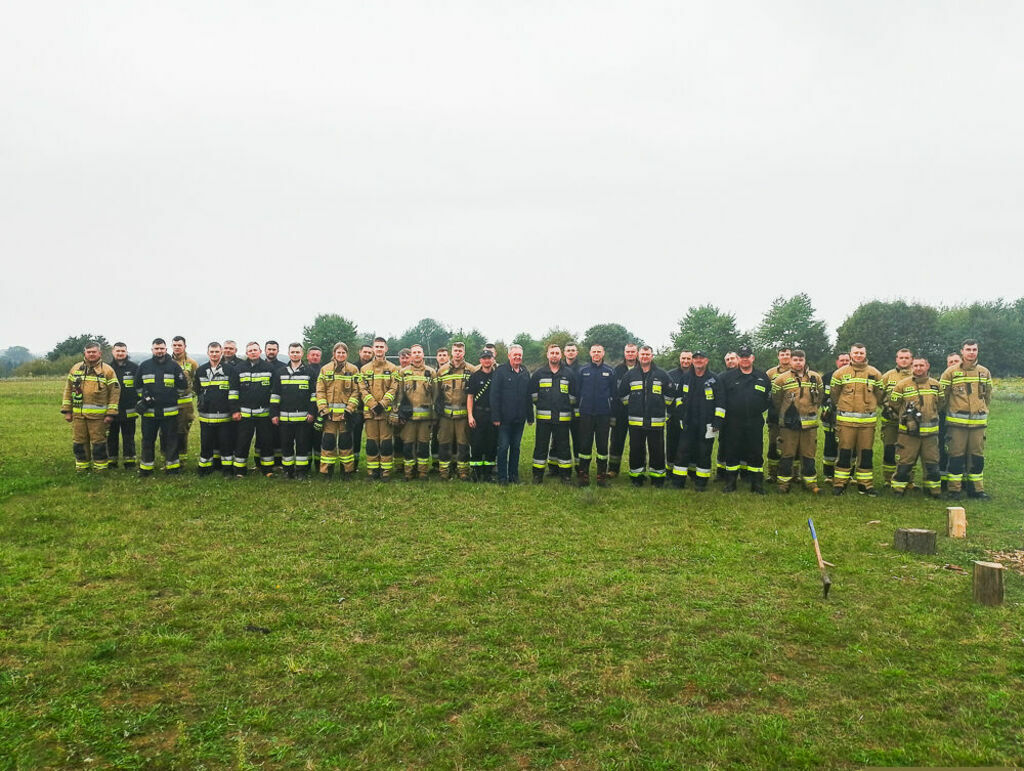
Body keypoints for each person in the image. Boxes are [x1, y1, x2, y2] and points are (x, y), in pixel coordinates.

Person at [939, 339, 992, 500]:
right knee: (956, 456)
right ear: (962, 351)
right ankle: (954, 490)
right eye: (968, 349)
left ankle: (976, 490)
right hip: (957, 425)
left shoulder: (984, 372)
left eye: (974, 349)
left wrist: (981, 410)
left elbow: (987, 396)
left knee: (977, 457)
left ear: (977, 351)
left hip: (978, 424)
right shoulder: (950, 373)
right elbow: (942, 397)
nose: (971, 352)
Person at [830, 343, 884, 496]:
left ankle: (865, 485)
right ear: (851, 354)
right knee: (844, 453)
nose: (859, 355)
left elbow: (879, 395)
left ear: (865, 354)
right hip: (846, 423)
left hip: (867, 424)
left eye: (861, 353)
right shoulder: (840, 373)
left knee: (866, 454)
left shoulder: (875, 373)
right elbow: (835, 394)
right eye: (856, 353)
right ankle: (840, 484)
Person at [618, 345, 673, 487]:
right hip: (635, 421)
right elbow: (622, 394)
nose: (645, 357)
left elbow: (670, 394)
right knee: (636, 450)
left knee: (657, 450)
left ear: (652, 356)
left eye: (647, 354)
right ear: (638, 356)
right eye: (642, 354)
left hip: (656, 421)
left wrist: (660, 406)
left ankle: (657, 478)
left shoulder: (662, 374)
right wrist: (632, 406)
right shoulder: (630, 375)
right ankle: (637, 477)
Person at [718, 346, 771, 494]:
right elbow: (721, 399)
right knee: (732, 452)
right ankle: (730, 483)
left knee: (755, 451)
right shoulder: (727, 377)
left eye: (747, 356)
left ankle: (757, 484)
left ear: (752, 358)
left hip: (754, 421)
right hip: (733, 421)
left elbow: (768, 398)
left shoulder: (762, 377)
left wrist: (757, 408)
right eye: (742, 356)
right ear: (739, 359)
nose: (745, 359)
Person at [889, 357, 944, 498]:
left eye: (921, 365)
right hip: (908, 434)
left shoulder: (936, 385)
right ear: (912, 367)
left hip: (930, 435)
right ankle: (898, 490)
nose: (918, 368)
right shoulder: (902, 385)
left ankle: (933, 490)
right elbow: (894, 404)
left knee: (932, 463)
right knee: (904, 463)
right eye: (916, 365)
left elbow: (941, 404)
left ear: (927, 366)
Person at [61, 341, 120, 472]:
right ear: (85, 353)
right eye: (89, 352)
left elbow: (115, 393)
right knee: (79, 442)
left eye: (94, 352)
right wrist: (67, 411)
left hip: (98, 417)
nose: (91, 354)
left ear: (100, 353)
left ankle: (101, 468)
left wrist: (111, 413)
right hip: (78, 416)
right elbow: (68, 390)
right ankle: (82, 467)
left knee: (99, 443)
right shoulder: (76, 369)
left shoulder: (108, 371)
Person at [770, 349, 823, 493]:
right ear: (791, 361)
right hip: (788, 425)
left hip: (809, 426)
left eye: (801, 360)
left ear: (805, 361)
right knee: (787, 454)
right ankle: (783, 483)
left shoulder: (815, 378)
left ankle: (810, 483)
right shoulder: (781, 379)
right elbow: (776, 400)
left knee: (808, 454)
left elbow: (819, 398)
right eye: (795, 360)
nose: (798, 363)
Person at [671, 350, 724, 491]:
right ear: (693, 361)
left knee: (704, 453)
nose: (698, 361)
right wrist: (681, 413)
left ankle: (701, 482)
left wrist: (717, 421)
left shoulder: (714, 379)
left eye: (701, 358)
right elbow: (678, 398)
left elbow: (720, 402)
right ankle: (678, 481)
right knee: (682, 451)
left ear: (706, 361)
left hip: (707, 424)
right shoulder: (686, 378)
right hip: (688, 422)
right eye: (696, 359)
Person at [137, 338, 188, 475]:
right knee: (148, 440)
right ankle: (146, 468)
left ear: (166, 349)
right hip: (149, 412)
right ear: (152, 350)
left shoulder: (174, 366)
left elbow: (183, 386)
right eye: (156, 348)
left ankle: (172, 468)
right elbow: (137, 386)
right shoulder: (144, 366)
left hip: (169, 412)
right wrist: (145, 398)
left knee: (171, 440)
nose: (159, 351)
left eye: (162, 348)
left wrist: (171, 396)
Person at [530, 343, 576, 485]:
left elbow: (573, 396)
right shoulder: (539, 373)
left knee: (564, 447)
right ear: (547, 355)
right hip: (544, 418)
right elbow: (533, 395)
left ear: (560, 355)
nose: (554, 355)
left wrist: (564, 406)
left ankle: (565, 475)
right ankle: (538, 475)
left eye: (557, 353)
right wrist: (543, 406)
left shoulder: (568, 374)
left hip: (563, 418)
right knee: (540, 447)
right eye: (552, 353)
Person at [233, 341, 280, 477]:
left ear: (260, 351)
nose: (253, 352)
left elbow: (274, 392)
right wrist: (235, 410)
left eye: (255, 350)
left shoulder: (269, 368)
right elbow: (234, 392)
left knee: (266, 441)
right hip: (245, 414)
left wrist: (273, 412)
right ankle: (240, 470)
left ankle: (267, 469)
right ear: (247, 353)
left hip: (264, 413)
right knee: (242, 442)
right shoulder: (239, 369)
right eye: (250, 350)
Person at [194, 341, 241, 477]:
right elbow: (197, 389)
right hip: (205, 415)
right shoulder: (201, 370)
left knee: (226, 443)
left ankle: (227, 470)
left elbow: (233, 392)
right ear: (208, 353)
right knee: (206, 443)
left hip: (224, 415)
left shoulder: (230, 370)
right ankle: (204, 468)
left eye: (217, 352)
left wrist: (234, 410)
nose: (214, 354)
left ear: (221, 353)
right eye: (212, 352)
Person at [316, 342, 361, 479]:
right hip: (329, 417)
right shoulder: (325, 369)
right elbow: (320, 390)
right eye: (338, 352)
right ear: (333, 354)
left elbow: (356, 391)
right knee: (328, 444)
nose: (341, 355)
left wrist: (349, 410)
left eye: (343, 352)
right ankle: (326, 472)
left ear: (347, 354)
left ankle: (347, 471)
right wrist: (324, 410)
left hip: (345, 417)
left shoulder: (353, 370)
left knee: (346, 443)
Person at [490, 344, 532, 485]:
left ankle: (514, 476)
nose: (517, 357)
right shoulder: (501, 372)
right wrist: (495, 417)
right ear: (509, 356)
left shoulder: (525, 372)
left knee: (516, 448)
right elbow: (494, 395)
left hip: (519, 419)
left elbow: (528, 396)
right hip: (504, 419)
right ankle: (502, 477)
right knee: (503, 448)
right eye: (515, 355)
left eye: (519, 355)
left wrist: (530, 416)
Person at [359, 337, 400, 480]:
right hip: (370, 413)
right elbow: (362, 389)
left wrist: (382, 404)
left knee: (386, 443)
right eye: (377, 347)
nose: (379, 349)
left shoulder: (393, 368)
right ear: (373, 349)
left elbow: (394, 388)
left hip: (385, 414)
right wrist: (372, 405)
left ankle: (386, 472)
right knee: (371, 443)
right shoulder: (364, 369)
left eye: (382, 347)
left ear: (386, 349)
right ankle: (372, 472)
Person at [273, 343, 317, 478]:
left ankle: (301, 471)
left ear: (302, 354)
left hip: (303, 418)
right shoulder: (280, 372)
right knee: (286, 445)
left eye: (297, 352)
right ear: (289, 353)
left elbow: (314, 395)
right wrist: (274, 414)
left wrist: (312, 412)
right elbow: (275, 395)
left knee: (302, 445)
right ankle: (288, 470)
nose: (295, 354)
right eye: (292, 352)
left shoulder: (310, 372)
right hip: (285, 418)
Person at [575, 344, 616, 487]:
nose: (597, 354)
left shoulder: (610, 371)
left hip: (603, 414)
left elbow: (614, 394)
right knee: (584, 445)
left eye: (599, 351)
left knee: (602, 447)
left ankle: (601, 476)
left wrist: (613, 415)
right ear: (590, 353)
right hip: (586, 414)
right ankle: (583, 475)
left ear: (603, 353)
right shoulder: (582, 371)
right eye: (594, 351)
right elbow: (577, 392)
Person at [436, 341, 477, 480]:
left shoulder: (472, 370)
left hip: (463, 416)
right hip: (446, 416)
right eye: (455, 350)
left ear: (464, 352)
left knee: (463, 444)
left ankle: (463, 471)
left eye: (460, 350)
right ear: (451, 352)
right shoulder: (442, 371)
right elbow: (437, 394)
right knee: (444, 443)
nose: (458, 353)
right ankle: (444, 471)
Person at [394, 344, 436, 480]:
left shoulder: (431, 372)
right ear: (411, 355)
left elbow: (435, 396)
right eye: (414, 352)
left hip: (425, 418)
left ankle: (423, 472)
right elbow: (399, 394)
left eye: (419, 352)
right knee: (408, 445)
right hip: (408, 418)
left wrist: (434, 417)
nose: (417, 355)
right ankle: (408, 472)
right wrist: (398, 413)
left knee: (423, 446)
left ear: (423, 354)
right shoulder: (403, 372)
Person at [879, 348, 914, 486]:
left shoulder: (917, 376)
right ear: (896, 359)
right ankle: (889, 479)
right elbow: (878, 395)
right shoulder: (888, 376)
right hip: (890, 422)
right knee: (890, 449)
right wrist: (886, 407)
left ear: (911, 359)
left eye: (907, 357)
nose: (904, 360)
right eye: (901, 357)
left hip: (911, 422)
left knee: (909, 451)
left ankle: (909, 480)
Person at [466, 349, 498, 482]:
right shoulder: (474, 376)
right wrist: (470, 415)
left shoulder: (497, 376)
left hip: (492, 414)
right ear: (480, 360)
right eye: (484, 358)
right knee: (477, 444)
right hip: (478, 414)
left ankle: (488, 473)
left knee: (491, 444)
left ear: (493, 360)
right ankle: (476, 472)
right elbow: (470, 397)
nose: (487, 360)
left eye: (489, 358)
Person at [608, 343, 638, 477]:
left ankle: (636, 469)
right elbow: (613, 393)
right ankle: (613, 469)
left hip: (638, 413)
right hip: (620, 414)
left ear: (636, 353)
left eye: (633, 351)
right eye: (628, 352)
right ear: (624, 353)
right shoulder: (617, 370)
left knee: (637, 443)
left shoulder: (643, 369)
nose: (630, 354)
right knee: (616, 442)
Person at [820, 352, 851, 484]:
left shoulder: (854, 376)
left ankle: (849, 474)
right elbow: (821, 396)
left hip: (849, 418)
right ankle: (829, 474)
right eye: (842, 360)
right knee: (830, 445)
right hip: (830, 418)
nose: (844, 362)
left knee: (848, 446)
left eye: (847, 360)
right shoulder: (827, 377)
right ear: (837, 362)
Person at [107, 342, 138, 469]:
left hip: (129, 409)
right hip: (111, 409)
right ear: (113, 352)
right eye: (118, 351)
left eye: (123, 351)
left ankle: (129, 461)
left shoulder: (134, 368)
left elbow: (140, 387)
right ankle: (111, 461)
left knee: (129, 437)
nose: (120, 353)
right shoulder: (107, 368)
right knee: (111, 437)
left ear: (126, 352)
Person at [764, 347, 791, 483]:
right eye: (782, 354)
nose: (785, 356)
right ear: (778, 357)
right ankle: (772, 474)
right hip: (774, 415)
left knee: (791, 445)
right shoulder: (770, 373)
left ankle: (793, 474)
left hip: (792, 417)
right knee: (773, 445)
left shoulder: (798, 372)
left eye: (787, 354)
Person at [171, 336, 199, 466]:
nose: (177, 347)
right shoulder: (166, 361)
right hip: (169, 403)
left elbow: (197, 382)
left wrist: (192, 393)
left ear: (185, 346)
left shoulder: (192, 363)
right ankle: (169, 457)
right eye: (175, 345)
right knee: (167, 432)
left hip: (185, 404)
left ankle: (182, 459)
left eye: (179, 345)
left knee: (182, 432)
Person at [666, 349, 694, 474]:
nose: (686, 361)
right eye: (683, 358)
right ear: (679, 359)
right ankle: (670, 470)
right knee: (672, 444)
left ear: (692, 360)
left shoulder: (697, 375)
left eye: (688, 358)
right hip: (674, 417)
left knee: (692, 444)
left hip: (692, 417)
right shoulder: (670, 375)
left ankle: (692, 471)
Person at [349, 343, 374, 472]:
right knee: (356, 437)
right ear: (360, 352)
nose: (367, 354)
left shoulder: (375, 367)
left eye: (369, 352)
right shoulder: (353, 368)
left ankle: (375, 464)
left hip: (372, 408)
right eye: (365, 352)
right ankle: (354, 465)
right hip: (358, 409)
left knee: (373, 438)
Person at [938, 351, 962, 490]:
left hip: (960, 420)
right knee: (941, 448)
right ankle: (942, 480)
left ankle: (961, 481)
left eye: (955, 361)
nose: (953, 364)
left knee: (959, 450)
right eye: (950, 362)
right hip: (943, 417)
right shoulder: (943, 379)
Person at [264, 340, 287, 467]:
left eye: (274, 349)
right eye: (269, 349)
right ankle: (262, 460)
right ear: (265, 350)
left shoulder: (283, 367)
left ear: (277, 351)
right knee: (264, 436)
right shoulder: (260, 366)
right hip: (262, 405)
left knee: (279, 435)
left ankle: (279, 462)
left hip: (279, 406)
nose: (271, 351)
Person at [305, 346, 324, 468]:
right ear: (307, 356)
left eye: (317, 355)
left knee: (319, 440)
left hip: (320, 410)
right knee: (305, 440)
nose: (315, 357)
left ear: (320, 357)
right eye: (313, 355)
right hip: (305, 410)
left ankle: (318, 465)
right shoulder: (303, 370)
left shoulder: (324, 370)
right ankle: (306, 464)